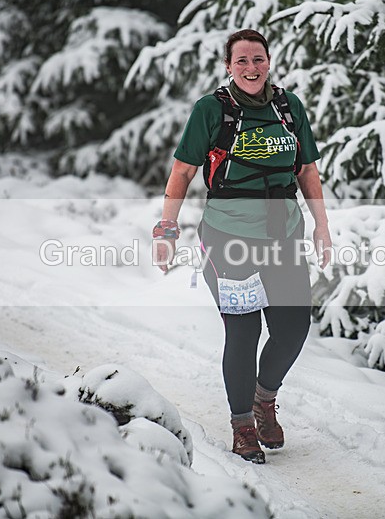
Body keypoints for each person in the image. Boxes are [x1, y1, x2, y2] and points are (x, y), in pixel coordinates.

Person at [153, 29, 331, 464]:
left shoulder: (288, 108)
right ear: (229, 66)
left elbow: (307, 171)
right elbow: (182, 172)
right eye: (242, 61)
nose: (251, 68)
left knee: (293, 329)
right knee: (244, 330)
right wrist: (166, 229)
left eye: (258, 59)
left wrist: (321, 225)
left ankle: (263, 400)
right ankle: (243, 426)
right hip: (228, 239)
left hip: (283, 235)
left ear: (269, 61)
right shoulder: (212, 110)